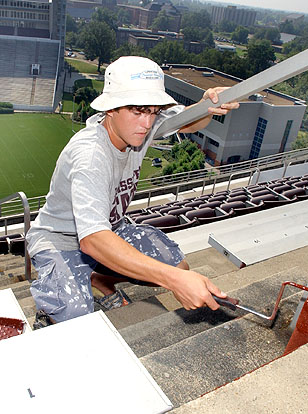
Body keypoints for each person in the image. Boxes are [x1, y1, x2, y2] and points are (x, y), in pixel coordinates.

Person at [27, 56, 239, 326]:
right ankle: (52, 307)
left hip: (112, 228)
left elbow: (186, 122)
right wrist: (173, 282)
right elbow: (92, 240)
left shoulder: (140, 125)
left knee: (178, 266)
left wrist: (208, 105)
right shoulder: (90, 155)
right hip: (62, 239)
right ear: (111, 109)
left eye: (153, 111)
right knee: (75, 317)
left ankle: (97, 277)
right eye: (138, 111)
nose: (148, 123)